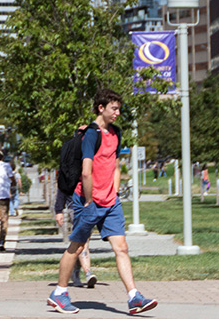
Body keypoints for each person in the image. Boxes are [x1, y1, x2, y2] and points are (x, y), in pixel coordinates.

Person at [47, 88, 156, 315]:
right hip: (88, 201)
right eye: (114, 108)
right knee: (76, 248)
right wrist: (88, 201)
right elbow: (86, 172)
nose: (117, 112)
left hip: (110, 203)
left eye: (119, 108)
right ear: (101, 108)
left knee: (122, 248)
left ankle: (134, 297)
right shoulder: (91, 135)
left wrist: (113, 194)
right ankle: (59, 293)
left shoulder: (116, 133)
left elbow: (115, 166)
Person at [52, 184, 95, 289]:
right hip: (75, 208)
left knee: (80, 243)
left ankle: (75, 272)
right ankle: (87, 272)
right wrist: (58, 210)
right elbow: (63, 187)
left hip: (91, 207)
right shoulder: (72, 170)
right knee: (82, 241)